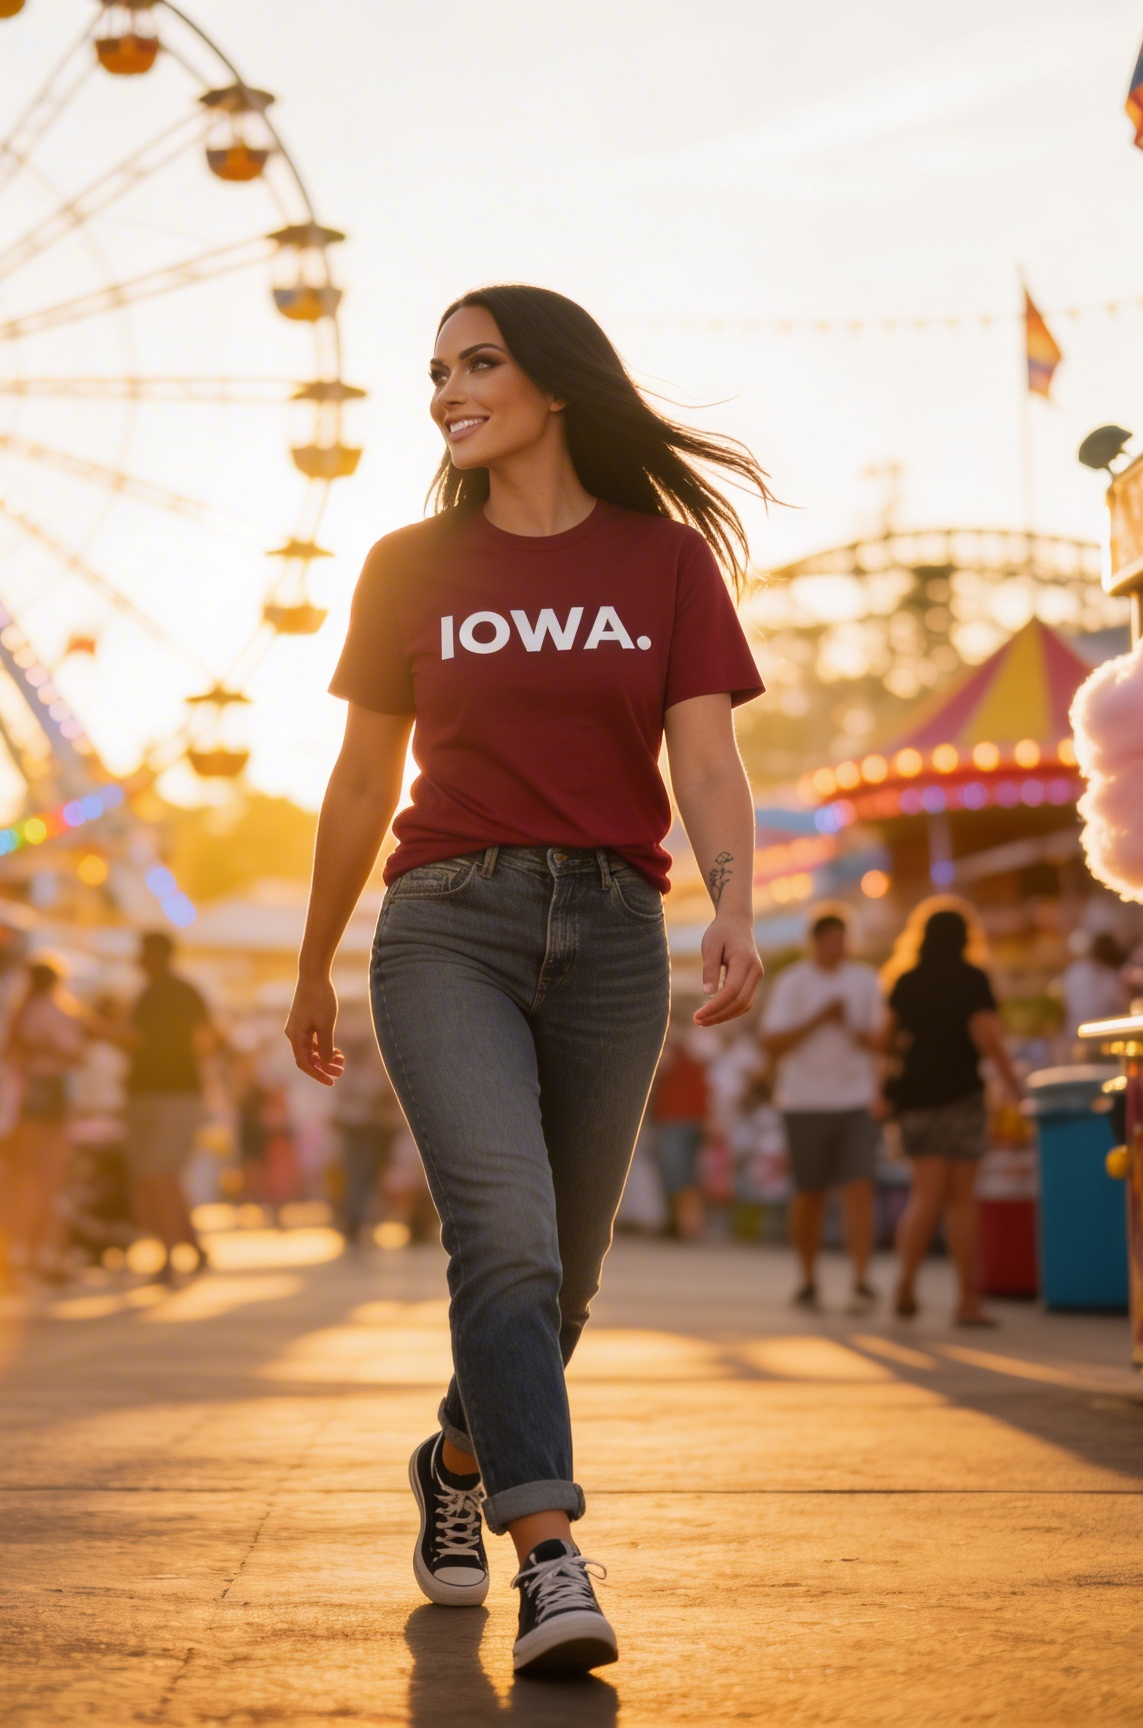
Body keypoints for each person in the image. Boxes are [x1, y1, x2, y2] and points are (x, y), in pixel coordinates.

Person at [284, 284, 770, 1675]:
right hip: (448, 922)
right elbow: (365, 775)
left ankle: (454, 1455)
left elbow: (707, 758)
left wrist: (735, 909)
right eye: (435, 369)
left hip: (618, 930)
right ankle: (549, 1557)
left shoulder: (664, 563)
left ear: (554, 383)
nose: (446, 388)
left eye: (478, 361)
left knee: (562, 1282)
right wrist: (314, 959)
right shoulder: (404, 566)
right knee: (502, 1231)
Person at [882, 899, 1023, 1326]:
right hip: (961, 1095)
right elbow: (985, 1036)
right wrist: (1014, 1085)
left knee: (924, 1195)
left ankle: (905, 1284)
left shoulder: (906, 980)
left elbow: (884, 1040)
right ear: (967, 937)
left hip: (916, 1098)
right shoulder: (972, 979)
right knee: (962, 1200)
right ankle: (967, 1301)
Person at [760, 905, 883, 1313]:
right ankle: (809, 1278)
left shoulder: (865, 981)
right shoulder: (793, 982)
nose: (837, 948)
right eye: (829, 940)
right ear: (815, 943)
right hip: (804, 1100)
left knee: (859, 1187)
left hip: (855, 1098)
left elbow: (883, 1042)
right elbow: (773, 1043)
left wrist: (853, 1030)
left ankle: (862, 1279)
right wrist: (820, 1018)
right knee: (810, 1193)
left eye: (842, 940)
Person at [121, 930, 214, 1279]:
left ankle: (170, 1254)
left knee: (157, 1176)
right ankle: (190, 1247)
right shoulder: (173, 992)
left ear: (156, 954)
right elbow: (208, 1040)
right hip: (168, 1093)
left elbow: (204, 1040)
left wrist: (96, 1029)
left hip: (171, 1094)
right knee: (157, 1177)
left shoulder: (165, 993)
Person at [5, 960, 85, 1283]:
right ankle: (39, 1252)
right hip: (47, 1092)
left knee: (36, 1178)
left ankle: (32, 1252)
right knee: (46, 1178)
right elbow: (68, 1052)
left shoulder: (29, 1010)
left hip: (43, 1093)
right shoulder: (51, 1011)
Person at [330, 1018, 403, 1247]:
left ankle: (358, 1219)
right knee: (360, 1175)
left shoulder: (367, 1061)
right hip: (365, 1126)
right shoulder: (358, 1063)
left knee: (364, 1175)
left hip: (373, 1126)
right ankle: (355, 1219)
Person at [645, 1030, 711, 1241]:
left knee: (678, 1173)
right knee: (682, 1172)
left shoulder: (678, 1046)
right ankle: (681, 1223)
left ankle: (687, 1225)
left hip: (675, 1118)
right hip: (687, 1116)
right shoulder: (698, 1046)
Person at [1058, 931, 1132, 1060]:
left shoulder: (1074, 972)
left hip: (1076, 1037)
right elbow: (1124, 1007)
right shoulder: (1111, 976)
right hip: (1102, 1039)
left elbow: (1061, 1005)